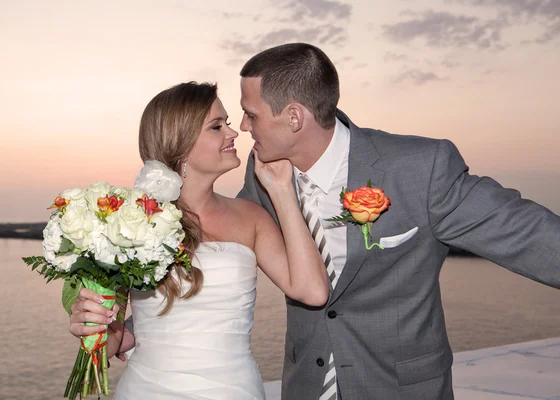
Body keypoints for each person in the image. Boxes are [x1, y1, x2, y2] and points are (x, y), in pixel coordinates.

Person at [236, 42, 560, 399]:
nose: (243, 125)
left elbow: (523, 232)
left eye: (251, 114)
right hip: (306, 388)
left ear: (294, 117)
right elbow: (227, 231)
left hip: (400, 388)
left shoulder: (419, 169)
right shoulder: (262, 172)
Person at [68, 82, 330, 400]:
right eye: (217, 127)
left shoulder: (251, 217)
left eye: (228, 123)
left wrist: (282, 190)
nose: (233, 134)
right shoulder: (129, 223)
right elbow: (110, 342)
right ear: (182, 144)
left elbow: (313, 292)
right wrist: (92, 329)